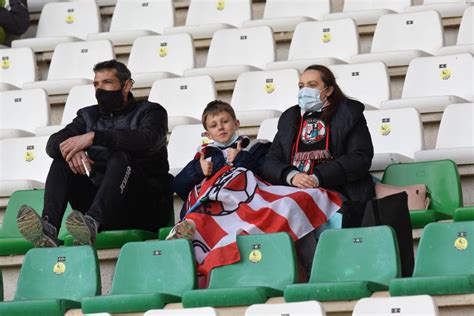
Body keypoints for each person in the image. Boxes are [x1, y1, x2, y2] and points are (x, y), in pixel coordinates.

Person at [17, 59, 173, 246]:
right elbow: (52, 144)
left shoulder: (151, 111)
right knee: (62, 160)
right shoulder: (88, 115)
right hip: (103, 207)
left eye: (107, 83)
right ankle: (48, 229)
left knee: (121, 156)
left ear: (127, 85)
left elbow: (149, 140)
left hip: (144, 207)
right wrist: (74, 151)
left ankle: (91, 223)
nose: (100, 89)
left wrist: (93, 137)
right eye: (96, 84)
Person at [262, 64, 375, 228]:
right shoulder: (289, 118)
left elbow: (360, 158)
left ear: (328, 90)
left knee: (294, 207)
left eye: (312, 85)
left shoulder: (348, 113)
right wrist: (292, 176)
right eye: (301, 86)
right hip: (293, 190)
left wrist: (317, 178)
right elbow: (270, 161)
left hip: (336, 190)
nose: (304, 91)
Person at [172, 100, 269, 222]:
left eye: (225, 121)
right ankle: (189, 227)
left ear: (236, 123)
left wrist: (241, 158)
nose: (220, 127)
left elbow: (265, 177)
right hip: (213, 208)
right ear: (207, 134)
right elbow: (179, 188)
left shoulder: (253, 147)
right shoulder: (203, 156)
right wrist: (197, 171)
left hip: (244, 207)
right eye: (213, 126)